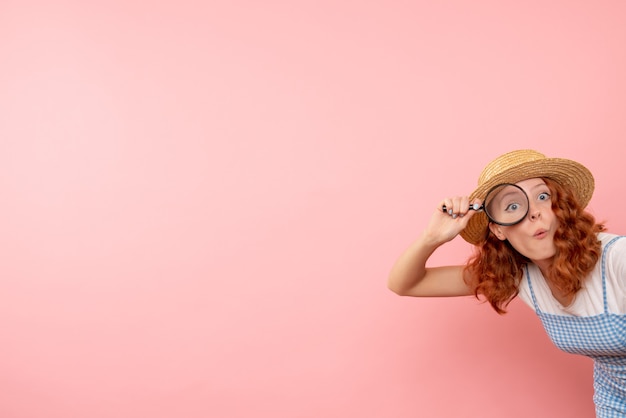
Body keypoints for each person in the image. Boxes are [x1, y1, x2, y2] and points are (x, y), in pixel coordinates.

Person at [387, 149, 626, 418]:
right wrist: (432, 237)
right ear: (499, 229)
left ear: (562, 206)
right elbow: (405, 283)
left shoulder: (617, 259)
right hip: (614, 402)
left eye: (543, 197)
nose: (535, 212)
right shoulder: (520, 276)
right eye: (514, 206)